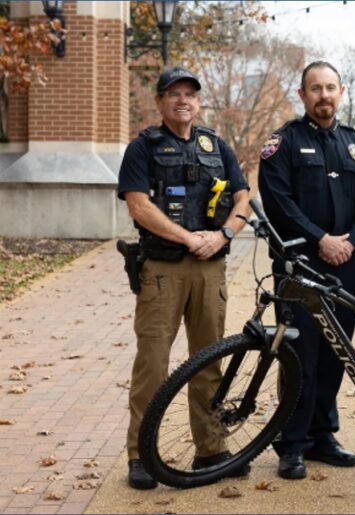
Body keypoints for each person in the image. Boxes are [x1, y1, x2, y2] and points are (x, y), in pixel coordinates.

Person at [117, 66, 251, 490]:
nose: (182, 101)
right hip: (163, 270)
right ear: (159, 102)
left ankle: (210, 448)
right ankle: (141, 455)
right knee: (153, 364)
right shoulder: (143, 148)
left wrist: (224, 234)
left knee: (209, 360)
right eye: (173, 94)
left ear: (197, 102)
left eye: (190, 94)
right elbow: (138, 205)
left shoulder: (216, 146)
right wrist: (188, 238)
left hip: (211, 268)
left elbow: (244, 195)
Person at [258, 61, 355, 480]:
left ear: (341, 92)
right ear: (302, 95)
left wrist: (351, 241)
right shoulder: (284, 142)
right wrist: (321, 240)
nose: (324, 95)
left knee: (336, 351)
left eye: (331, 87)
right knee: (299, 354)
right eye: (316, 88)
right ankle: (291, 444)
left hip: (347, 263)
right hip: (301, 265)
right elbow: (278, 201)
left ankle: (322, 435)